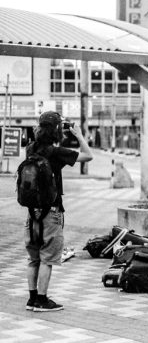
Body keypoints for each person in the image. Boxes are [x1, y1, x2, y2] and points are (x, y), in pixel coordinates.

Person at [24, 111, 93, 312]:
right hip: (50, 214)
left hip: (32, 214)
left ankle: (32, 299)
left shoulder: (31, 149)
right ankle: (43, 301)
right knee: (48, 259)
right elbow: (88, 155)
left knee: (33, 259)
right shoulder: (56, 152)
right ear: (55, 130)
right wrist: (78, 135)